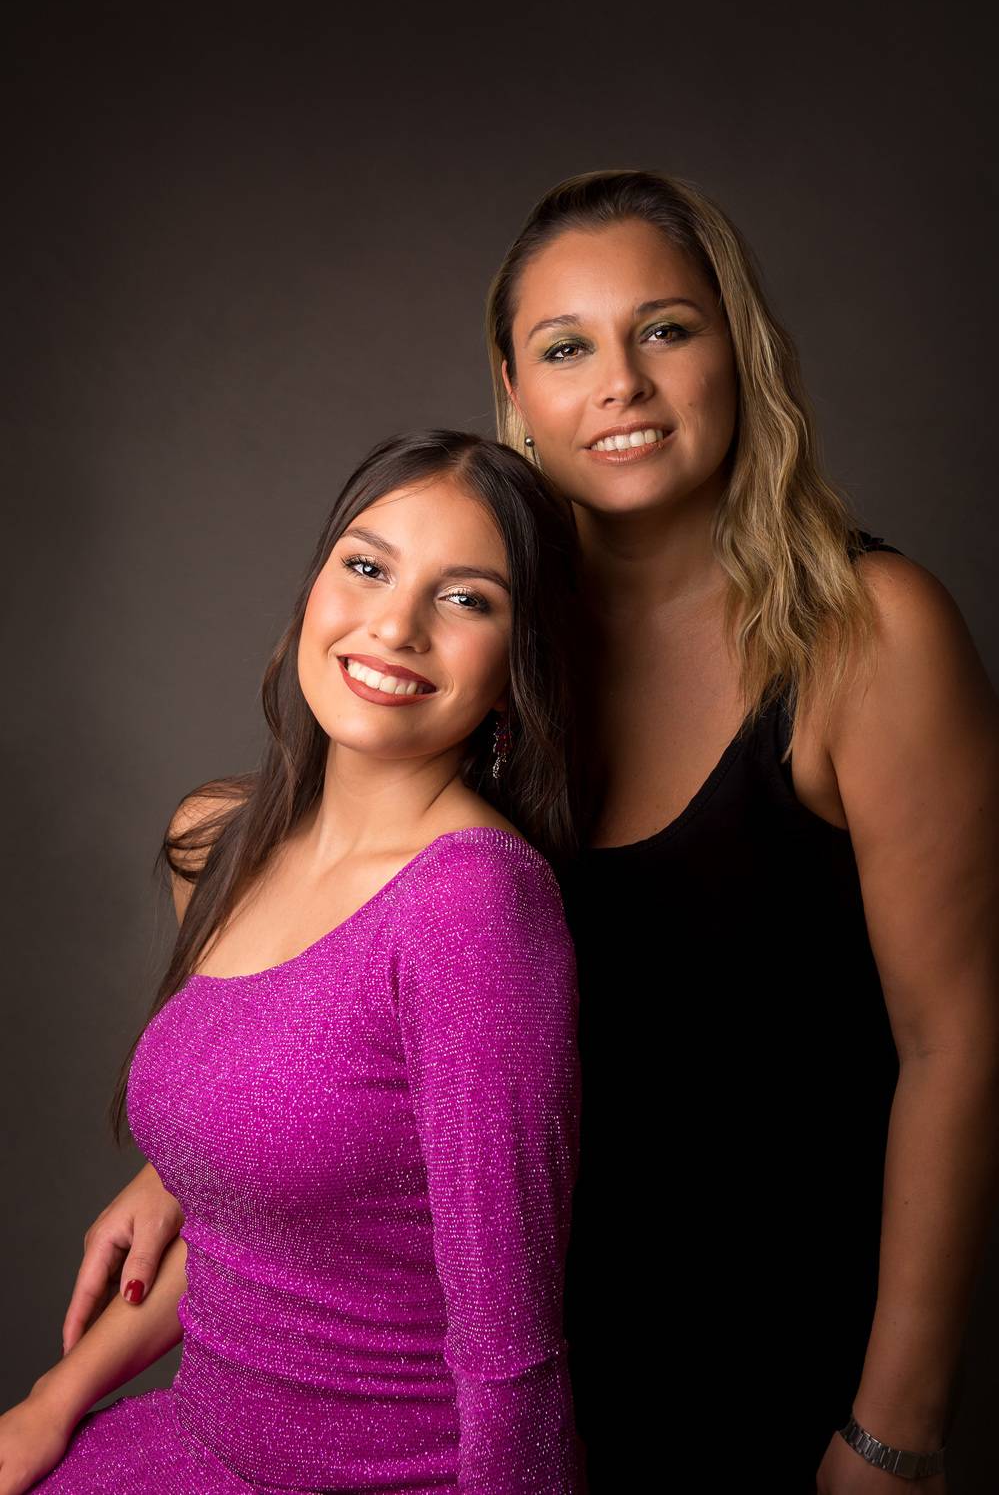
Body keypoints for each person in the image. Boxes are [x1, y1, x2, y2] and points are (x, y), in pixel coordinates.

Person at [55, 171, 999, 1492]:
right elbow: (352, 958)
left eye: (664, 329)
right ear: (515, 387)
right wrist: (197, 1168)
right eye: (565, 348)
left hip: (760, 1360)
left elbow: (956, 1040)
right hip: (475, 1374)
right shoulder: (482, 636)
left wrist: (893, 1425)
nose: (618, 383)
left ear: (738, 348)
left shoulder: (866, 634)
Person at [0, 429, 588, 1495]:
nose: (395, 626)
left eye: (466, 599)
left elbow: (511, 1350)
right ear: (313, 590)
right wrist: (52, 1400)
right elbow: (248, 1234)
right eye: (367, 567)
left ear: (516, 671)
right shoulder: (218, 843)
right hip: (198, 1441)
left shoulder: (474, 906)